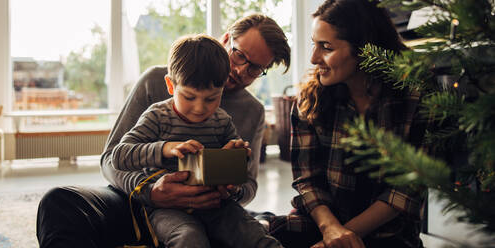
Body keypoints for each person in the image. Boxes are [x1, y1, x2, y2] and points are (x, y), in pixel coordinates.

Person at [37, 14, 290, 248]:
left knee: (249, 233)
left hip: (212, 211)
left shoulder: (252, 111)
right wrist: (153, 193)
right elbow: (111, 160)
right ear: (226, 39)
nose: (241, 70)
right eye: (240, 56)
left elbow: (249, 185)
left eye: (255, 68)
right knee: (59, 202)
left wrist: (231, 189)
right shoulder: (157, 81)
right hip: (137, 203)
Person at [259, 1, 427, 248]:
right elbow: (307, 180)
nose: (314, 58)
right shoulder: (309, 100)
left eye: (326, 47)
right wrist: (330, 229)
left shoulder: (416, 97)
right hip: (319, 224)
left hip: (388, 236)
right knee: (252, 234)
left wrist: (339, 239)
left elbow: (406, 191)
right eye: (314, 45)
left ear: (364, 50)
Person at [110, 34, 282, 248]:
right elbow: (119, 156)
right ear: (171, 86)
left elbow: (243, 174)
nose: (200, 108)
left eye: (212, 98)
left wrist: (235, 157)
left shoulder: (221, 120)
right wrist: (165, 149)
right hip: (166, 209)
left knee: (253, 233)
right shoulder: (157, 116)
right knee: (189, 237)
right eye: (189, 97)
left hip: (215, 205)